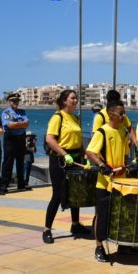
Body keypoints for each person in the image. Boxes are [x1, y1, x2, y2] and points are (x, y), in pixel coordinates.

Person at [42, 89, 90, 244]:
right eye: (72, 98)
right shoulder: (58, 117)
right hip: (60, 160)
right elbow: (50, 139)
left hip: (76, 158)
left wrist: (84, 155)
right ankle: (47, 229)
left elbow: (78, 139)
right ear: (64, 101)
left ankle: (75, 224)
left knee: (76, 192)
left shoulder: (76, 118)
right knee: (57, 194)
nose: (75, 101)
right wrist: (64, 154)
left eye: (76, 99)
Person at [86, 99, 129, 262]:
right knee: (102, 216)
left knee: (119, 214)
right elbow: (91, 152)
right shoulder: (102, 132)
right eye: (121, 113)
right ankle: (99, 246)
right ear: (111, 114)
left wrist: (126, 165)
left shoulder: (124, 132)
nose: (124, 115)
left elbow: (124, 153)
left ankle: (123, 244)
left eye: (124, 112)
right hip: (104, 182)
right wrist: (102, 165)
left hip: (121, 181)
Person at [0, 93, 30, 193]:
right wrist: (20, 124)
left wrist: (16, 124)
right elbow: (9, 125)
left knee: (20, 162)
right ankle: (4, 185)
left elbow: (27, 124)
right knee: (8, 162)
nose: (16, 103)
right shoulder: (6, 112)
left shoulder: (22, 111)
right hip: (10, 139)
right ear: (9, 102)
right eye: (13, 101)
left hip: (21, 138)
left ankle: (21, 184)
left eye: (17, 101)